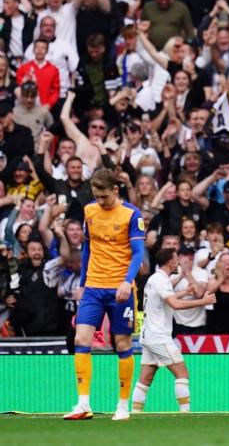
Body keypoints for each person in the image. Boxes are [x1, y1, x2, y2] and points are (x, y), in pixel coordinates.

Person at [63, 168, 146, 421]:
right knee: (81, 339)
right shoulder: (89, 211)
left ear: (116, 190)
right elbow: (88, 246)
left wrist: (126, 281)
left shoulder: (132, 214)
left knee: (122, 344)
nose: (100, 201)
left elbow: (138, 253)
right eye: (96, 196)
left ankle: (122, 405)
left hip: (120, 289)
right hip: (94, 288)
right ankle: (83, 404)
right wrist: (84, 281)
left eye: (104, 197)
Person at [131, 248, 215, 413]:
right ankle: (185, 413)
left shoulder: (156, 278)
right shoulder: (161, 280)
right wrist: (202, 301)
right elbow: (174, 304)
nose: (178, 261)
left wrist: (185, 292)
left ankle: (135, 413)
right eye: (176, 258)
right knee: (182, 373)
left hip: (148, 335)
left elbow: (167, 299)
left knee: (145, 378)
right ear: (170, 261)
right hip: (159, 336)